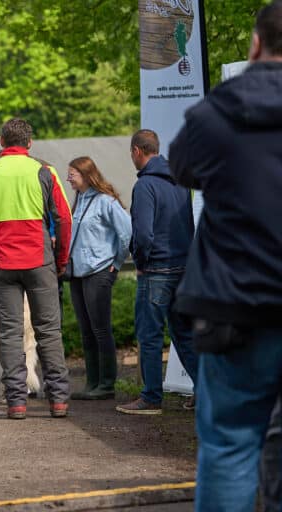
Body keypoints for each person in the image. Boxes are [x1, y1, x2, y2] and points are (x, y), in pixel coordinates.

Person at [167, 2, 282, 508]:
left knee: (230, 446)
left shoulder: (213, 116)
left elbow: (182, 168)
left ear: (256, 45)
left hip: (235, 308)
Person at [0, 118, 73, 420]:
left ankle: (16, 403)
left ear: (1, 142)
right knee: (48, 332)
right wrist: (60, 260)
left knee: (10, 334)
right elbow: (64, 219)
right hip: (41, 262)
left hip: (2, 264)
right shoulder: (45, 172)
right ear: (30, 143)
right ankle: (59, 401)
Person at [114, 129, 199, 415]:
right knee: (184, 333)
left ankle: (151, 397)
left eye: (131, 154)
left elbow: (144, 235)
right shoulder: (180, 182)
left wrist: (140, 263)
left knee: (149, 335)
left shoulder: (145, 186)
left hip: (156, 269)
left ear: (137, 151)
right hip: (184, 267)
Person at [66, 157, 131, 400]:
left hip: (99, 271)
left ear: (85, 174)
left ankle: (106, 385)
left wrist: (115, 264)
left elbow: (127, 233)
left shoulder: (106, 201)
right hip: (78, 274)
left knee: (100, 329)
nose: (68, 178)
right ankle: (92, 383)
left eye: (71, 174)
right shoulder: (79, 201)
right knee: (86, 331)